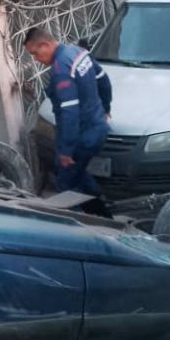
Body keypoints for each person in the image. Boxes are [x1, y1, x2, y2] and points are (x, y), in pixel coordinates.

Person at [24, 27, 113, 217]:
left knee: (65, 182)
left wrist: (66, 150)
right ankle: (103, 214)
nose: (36, 59)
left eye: (35, 53)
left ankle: (80, 228)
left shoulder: (61, 69)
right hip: (98, 127)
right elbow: (103, 80)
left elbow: (69, 113)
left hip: (83, 135)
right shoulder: (78, 52)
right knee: (78, 173)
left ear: (45, 45)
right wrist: (106, 108)